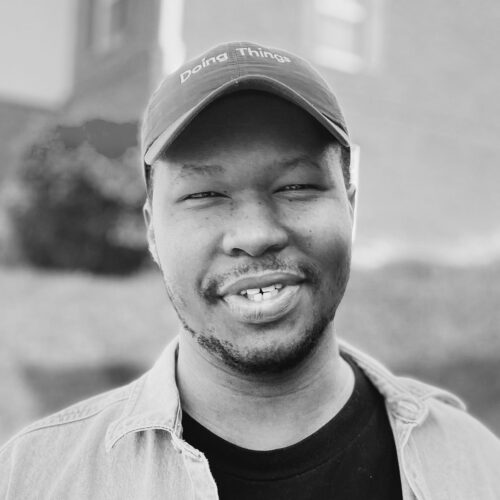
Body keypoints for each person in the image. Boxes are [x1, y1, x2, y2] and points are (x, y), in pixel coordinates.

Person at [1, 41, 499, 499]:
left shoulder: (477, 467)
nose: (256, 233)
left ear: (350, 204)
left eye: (296, 186)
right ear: (153, 231)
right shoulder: (35, 478)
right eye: (204, 195)